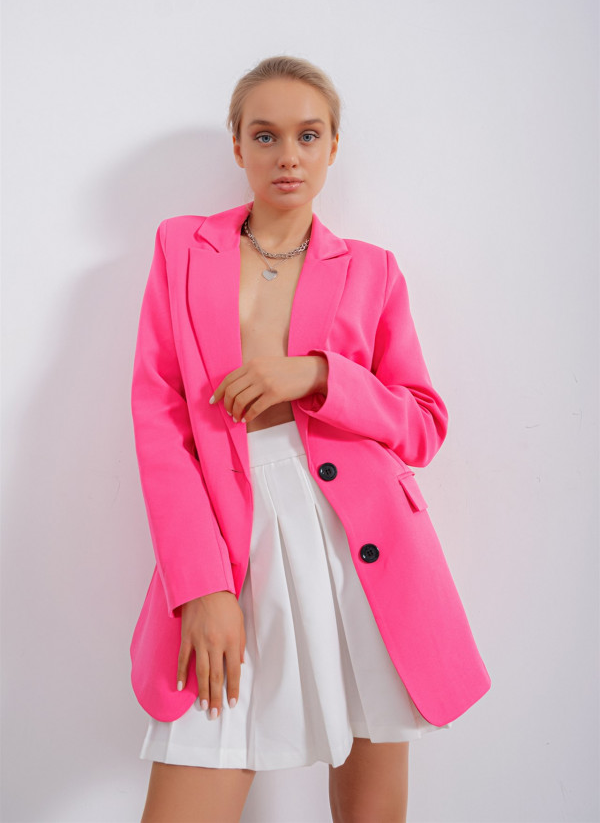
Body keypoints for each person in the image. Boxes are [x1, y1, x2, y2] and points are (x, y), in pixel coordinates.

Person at [130, 55, 491, 823]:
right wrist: (201, 586)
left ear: (332, 147)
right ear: (237, 145)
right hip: (232, 537)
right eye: (265, 135)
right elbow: (159, 419)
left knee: (370, 805)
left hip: (360, 546)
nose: (287, 155)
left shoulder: (372, 271)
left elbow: (423, 424)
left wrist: (320, 376)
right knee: (199, 758)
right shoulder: (182, 249)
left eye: (308, 135)